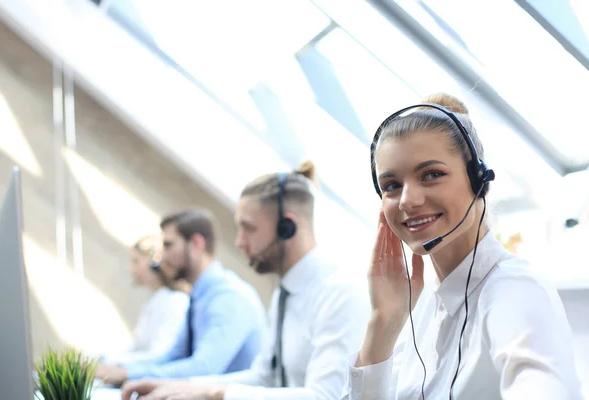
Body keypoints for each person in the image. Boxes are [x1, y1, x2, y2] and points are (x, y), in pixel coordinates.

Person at [341, 93, 583, 399]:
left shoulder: (514, 289)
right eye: (392, 185)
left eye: (431, 175)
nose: (407, 200)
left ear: (479, 179)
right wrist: (383, 322)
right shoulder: (429, 306)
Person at [120, 161, 370, 400]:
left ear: (287, 227)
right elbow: (265, 376)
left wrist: (215, 394)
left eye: (248, 229)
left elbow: (326, 397)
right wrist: (179, 387)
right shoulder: (285, 293)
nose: (239, 242)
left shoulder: (339, 292)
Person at [95, 209, 267, 386]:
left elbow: (203, 369)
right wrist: (122, 370)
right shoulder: (199, 296)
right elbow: (173, 356)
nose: (161, 258)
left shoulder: (229, 297)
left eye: (168, 245)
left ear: (196, 244)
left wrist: (126, 375)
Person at [100, 235, 190, 366]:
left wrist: (111, 363)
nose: (130, 269)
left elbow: (160, 355)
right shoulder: (155, 300)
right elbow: (137, 348)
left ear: (155, 261)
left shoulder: (175, 301)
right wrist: (102, 359)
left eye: (136, 261)